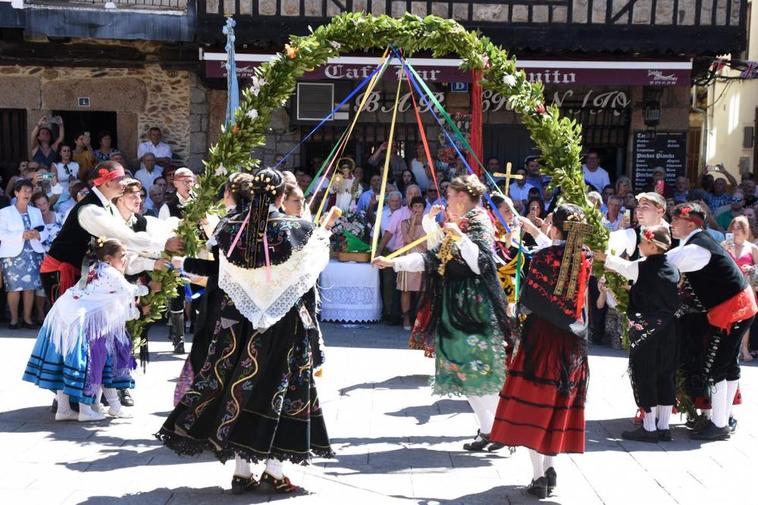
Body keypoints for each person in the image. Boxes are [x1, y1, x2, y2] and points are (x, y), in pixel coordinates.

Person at [157, 168, 338, 495]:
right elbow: (308, 273)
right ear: (282, 196)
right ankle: (273, 470)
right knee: (278, 389)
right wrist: (322, 238)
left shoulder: (227, 229)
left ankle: (242, 470)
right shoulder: (299, 230)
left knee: (239, 387)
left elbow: (224, 272)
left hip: (237, 323)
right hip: (283, 324)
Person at [373, 174, 510, 455]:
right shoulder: (459, 224)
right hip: (456, 305)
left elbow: (481, 263)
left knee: (478, 372)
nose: (446, 201)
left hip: (474, 306)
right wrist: (393, 262)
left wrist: (459, 237)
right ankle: (489, 430)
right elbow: (433, 259)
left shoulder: (478, 220)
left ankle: (502, 429)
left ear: (461, 197)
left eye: (449, 196)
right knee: (465, 373)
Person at [490, 203, 592, 498]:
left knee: (533, 404)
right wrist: (535, 230)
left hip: (542, 340)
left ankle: (539, 476)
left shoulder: (546, 256)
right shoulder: (583, 256)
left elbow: (531, 297)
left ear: (556, 227)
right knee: (557, 403)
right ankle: (549, 467)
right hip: (572, 342)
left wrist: (515, 307)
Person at [23, 238, 145, 421]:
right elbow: (133, 291)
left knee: (67, 363)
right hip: (77, 321)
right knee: (91, 364)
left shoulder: (97, 268)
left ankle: (65, 409)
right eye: (122, 256)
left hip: (63, 315)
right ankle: (87, 410)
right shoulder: (110, 273)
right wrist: (151, 289)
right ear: (109, 259)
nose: (125, 259)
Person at [668, 202, 758, 440]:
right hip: (740, 305)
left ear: (690, 223)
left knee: (717, 366)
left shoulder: (695, 249)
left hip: (733, 310)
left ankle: (718, 425)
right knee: (728, 364)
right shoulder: (699, 242)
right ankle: (724, 417)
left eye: (676, 220)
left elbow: (662, 265)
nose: (672, 224)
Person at [39, 161, 183, 303]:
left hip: (84, 272)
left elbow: (122, 246)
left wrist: (152, 263)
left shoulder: (109, 207)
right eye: (121, 179)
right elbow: (126, 238)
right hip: (63, 273)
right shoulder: (90, 210)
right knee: (69, 323)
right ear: (107, 182)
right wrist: (164, 244)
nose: (125, 183)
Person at [601, 225, 680, 442]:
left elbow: (623, 267)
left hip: (647, 328)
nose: (639, 245)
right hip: (669, 328)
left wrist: (604, 256)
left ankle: (649, 428)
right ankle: (664, 427)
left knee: (645, 374)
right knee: (666, 374)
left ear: (653, 247)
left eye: (643, 243)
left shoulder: (641, 267)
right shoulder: (673, 269)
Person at [0, 179, 48, 329]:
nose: (27, 194)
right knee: (13, 288)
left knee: (30, 287)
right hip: (12, 255)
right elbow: (1, 234)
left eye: (29, 191)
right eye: (24, 191)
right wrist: (21, 235)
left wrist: (37, 235)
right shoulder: (5, 212)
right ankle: (14, 319)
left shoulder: (35, 211)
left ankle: (27, 319)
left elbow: (44, 230)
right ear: (16, 193)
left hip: (33, 253)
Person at [722, 216, 758, 361]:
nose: (736, 231)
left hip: (746, 288)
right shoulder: (724, 245)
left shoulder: (752, 247)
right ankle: (727, 348)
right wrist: (723, 251)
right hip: (727, 288)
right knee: (727, 319)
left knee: (745, 319)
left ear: (746, 230)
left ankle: (744, 349)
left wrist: (751, 268)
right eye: (734, 227)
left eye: (739, 228)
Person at [397, 196, 428, 330]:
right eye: (415, 206)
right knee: (406, 290)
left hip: (423, 259)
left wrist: (420, 243)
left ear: (423, 208)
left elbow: (429, 245)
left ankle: (420, 319)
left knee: (423, 290)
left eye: (420, 206)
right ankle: (406, 317)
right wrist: (413, 222)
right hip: (408, 259)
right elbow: (408, 239)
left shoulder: (429, 223)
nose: (417, 209)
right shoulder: (405, 222)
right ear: (411, 208)